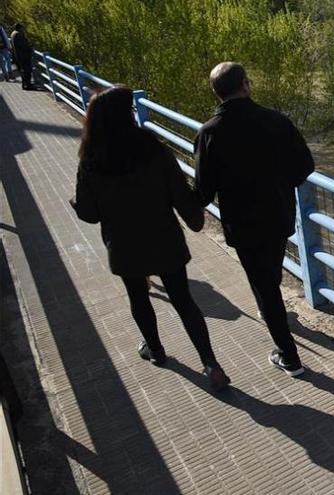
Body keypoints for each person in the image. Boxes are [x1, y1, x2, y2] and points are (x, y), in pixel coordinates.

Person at [72, 86, 230, 391]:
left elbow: (89, 214)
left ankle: (156, 350)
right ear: (126, 114)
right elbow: (180, 195)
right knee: (184, 300)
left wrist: (76, 204)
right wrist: (195, 219)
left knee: (138, 297)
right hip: (164, 238)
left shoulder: (90, 158)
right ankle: (211, 363)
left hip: (123, 244)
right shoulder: (152, 148)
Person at [194, 62, 314, 377]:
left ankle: (289, 356)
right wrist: (278, 182)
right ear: (246, 84)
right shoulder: (277, 121)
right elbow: (305, 166)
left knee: (264, 285)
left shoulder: (208, 133)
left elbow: (203, 192)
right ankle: (274, 316)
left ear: (217, 93)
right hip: (279, 215)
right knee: (269, 277)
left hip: (242, 223)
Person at [10, 23, 33, 90]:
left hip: (18, 56)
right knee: (26, 71)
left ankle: (25, 84)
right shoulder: (18, 34)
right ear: (20, 28)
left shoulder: (13, 33)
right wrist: (30, 47)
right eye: (22, 28)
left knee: (23, 71)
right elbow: (23, 45)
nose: (23, 29)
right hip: (23, 56)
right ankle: (27, 85)